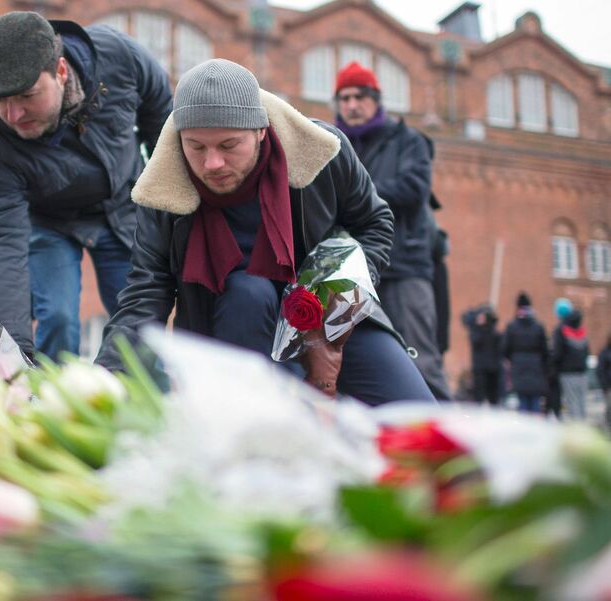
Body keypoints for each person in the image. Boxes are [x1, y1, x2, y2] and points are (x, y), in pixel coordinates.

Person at [95, 59, 434, 405]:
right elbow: (145, 292)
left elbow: (373, 222)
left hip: (327, 319)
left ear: (261, 130)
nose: (212, 163)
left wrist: (342, 297)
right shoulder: (164, 191)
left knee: (419, 416)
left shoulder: (322, 152)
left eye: (229, 145)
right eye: (196, 146)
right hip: (235, 321)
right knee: (248, 294)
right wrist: (106, 377)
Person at [0, 11, 173, 360]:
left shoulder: (119, 57)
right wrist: (7, 355)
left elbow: (164, 128)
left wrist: (168, 208)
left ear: (60, 71)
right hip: (50, 221)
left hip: (121, 206)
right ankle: (46, 400)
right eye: (2, 101)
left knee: (141, 329)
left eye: (27, 95)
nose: (15, 115)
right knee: (59, 318)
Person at [332, 61, 451, 400]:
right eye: (344, 98)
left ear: (376, 99)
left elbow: (414, 188)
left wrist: (354, 194)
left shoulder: (408, 141)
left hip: (404, 267)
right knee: (350, 363)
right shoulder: (332, 144)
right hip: (354, 270)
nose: (352, 105)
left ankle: (444, 444)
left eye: (360, 96)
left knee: (421, 362)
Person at [501, 293, 549, 413]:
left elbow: (504, 348)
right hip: (536, 367)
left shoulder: (512, 326)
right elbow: (545, 350)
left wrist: (513, 359)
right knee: (535, 401)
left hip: (519, 366)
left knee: (522, 401)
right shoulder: (538, 326)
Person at [552, 307, 590, 421]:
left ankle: (576, 432)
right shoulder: (582, 332)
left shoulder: (561, 331)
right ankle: (583, 430)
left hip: (567, 373)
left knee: (572, 404)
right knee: (582, 404)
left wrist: (554, 368)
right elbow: (587, 352)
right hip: (583, 373)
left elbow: (557, 354)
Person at [463, 304, 501, 405]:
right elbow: (475, 341)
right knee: (478, 397)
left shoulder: (493, 331)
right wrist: (479, 325)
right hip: (480, 368)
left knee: (493, 397)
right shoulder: (476, 331)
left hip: (493, 368)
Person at [598, 334, 611, 432]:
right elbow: (601, 371)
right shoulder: (605, 353)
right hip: (609, 386)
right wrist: (604, 385)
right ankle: (607, 427)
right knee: (609, 408)